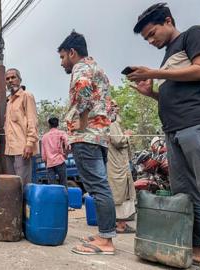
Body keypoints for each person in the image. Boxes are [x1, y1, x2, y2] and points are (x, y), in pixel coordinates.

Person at [127, 3, 200, 267]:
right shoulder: (168, 58)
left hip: (197, 124)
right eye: (146, 39)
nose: (151, 41)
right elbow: (175, 93)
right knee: (185, 196)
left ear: (168, 21)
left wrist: (154, 73)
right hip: (173, 131)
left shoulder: (193, 35)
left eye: (152, 34)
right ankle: (193, 251)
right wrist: (151, 92)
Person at [58, 31, 116, 255]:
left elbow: (82, 94)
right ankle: (105, 233)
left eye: (63, 57)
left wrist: (81, 125)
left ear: (72, 53)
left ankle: (106, 240)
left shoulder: (80, 68)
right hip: (99, 136)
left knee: (98, 188)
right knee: (100, 186)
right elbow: (111, 107)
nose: (62, 62)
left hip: (86, 136)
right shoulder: (98, 69)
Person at [3, 68, 39, 186]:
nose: (10, 80)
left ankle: (24, 205)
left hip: (22, 148)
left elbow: (32, 120)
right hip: (9, 150)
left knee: (22, 184)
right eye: (7, 79)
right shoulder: (9, 102)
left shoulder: (26, 96)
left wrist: (29, 143)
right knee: (13, 185)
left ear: (20, 79)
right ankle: (16, 205)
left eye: (13, 77)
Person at [107, 101, 136, 234]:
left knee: (123, 194)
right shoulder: (112, 123)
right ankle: (121, 225)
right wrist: (127, 136)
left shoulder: (114, 123)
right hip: (117, 165)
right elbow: (118, 141)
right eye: (115, 106)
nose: (117, 108)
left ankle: (121, 224)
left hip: (120, 164)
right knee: (120, 195)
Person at [41, 117, 68, 186]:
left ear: (49, 125)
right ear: (58, 124)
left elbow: (43, 154)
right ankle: (64, 196)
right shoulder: (61, 133)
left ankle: (54, 196)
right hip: (60, 161)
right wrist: (65, 154)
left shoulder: (44, 137)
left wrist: (45, 162)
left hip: (49, 163)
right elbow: (68, 144)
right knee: (63, 183)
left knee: (52, 186)